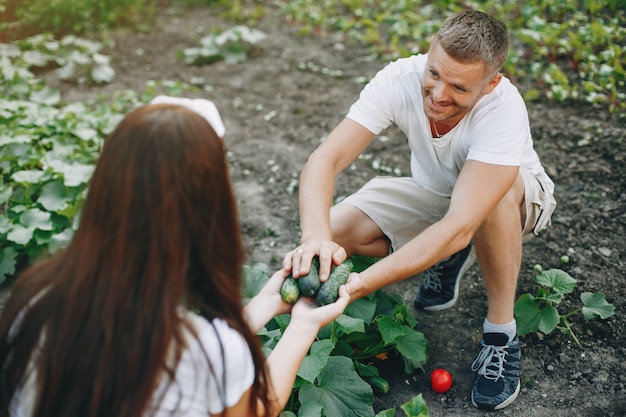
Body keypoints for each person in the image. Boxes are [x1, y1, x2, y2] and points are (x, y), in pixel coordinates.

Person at [0, 96, 350, 417]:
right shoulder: (206, 355)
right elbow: (257, 408)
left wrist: (266, 304)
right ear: (211, 214)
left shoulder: (34, 298)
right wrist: (304, 325)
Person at [283, 9, 556, 411]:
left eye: (459, 88)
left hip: (514, 203)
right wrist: (314, 239)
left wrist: (359, 284)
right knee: (334, 227)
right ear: (429, 54)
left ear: (490, 84)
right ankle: (449, 255)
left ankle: (501, 333)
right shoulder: (399, 78)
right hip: (437, 195)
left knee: (486, 205)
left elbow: (462, 223)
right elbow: (325, 160)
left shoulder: (503, 108)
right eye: (434, 74)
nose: (438, 94)